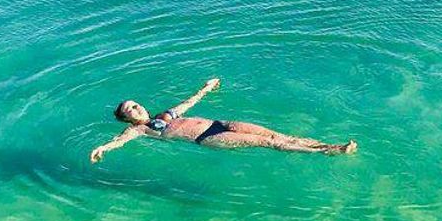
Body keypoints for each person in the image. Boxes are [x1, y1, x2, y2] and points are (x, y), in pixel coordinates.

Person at [89, 77, 357, 162]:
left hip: (220, 123)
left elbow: (188, 103)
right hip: (209, 137)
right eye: (130, 110)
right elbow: (118, 141)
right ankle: (329, 152)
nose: (137, 109)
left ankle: (328, 144)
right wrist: (103, 148)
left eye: (136, 104)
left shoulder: (163, 115)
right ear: (127, 119)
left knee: (278, 135)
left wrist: (206, 88)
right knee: (269, 144)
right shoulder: (141, 131)